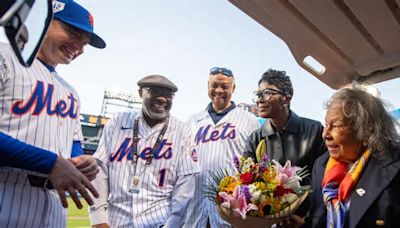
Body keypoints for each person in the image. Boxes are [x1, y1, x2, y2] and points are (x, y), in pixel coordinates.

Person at [0, 0, 106, 226]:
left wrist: (81, 160)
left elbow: (74, 143)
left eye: (85, 42)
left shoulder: (71, 92)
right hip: (6, 194)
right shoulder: (4, 56)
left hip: (55, 208)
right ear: (44, 22)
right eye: (74, 32)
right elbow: (55, 162)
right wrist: (50, 163)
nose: (80, 47)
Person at [89, 75, 200, 228]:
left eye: (168, 94)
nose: (162, 98)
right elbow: (100, 171)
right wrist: (99, 219)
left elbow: (185, 186)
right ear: (141, 93)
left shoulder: (183, 132)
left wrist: (172, 225)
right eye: (155, 91)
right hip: (115, 221)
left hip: (160, 222)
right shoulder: (117, 122)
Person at [309, 84, 400, 227]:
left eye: (336, 126)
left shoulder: (394, 164)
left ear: (365, 129)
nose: (325, 134)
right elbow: (317, 220)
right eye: (326, 125)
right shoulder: (321, 165)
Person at [184, 67, 260, 227]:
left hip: (229, 205)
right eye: (214, 85)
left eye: (225, 86)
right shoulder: (193, 120)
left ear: (233, 88)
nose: (218, 90)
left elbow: (256, 164)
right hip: (195, 204)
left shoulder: (248, 119)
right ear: (207, 86)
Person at [244, 69, 326, 174]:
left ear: (287, 98)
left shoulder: (315, 130)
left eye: (267, 93)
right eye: (258, 95)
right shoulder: (255, 139)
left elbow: (325, 175)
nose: (259, 100)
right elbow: (246, 179)